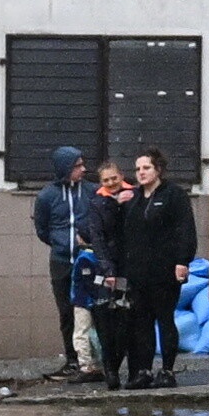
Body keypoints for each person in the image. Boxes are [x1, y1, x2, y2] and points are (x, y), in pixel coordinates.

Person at [112, 151, 197, 389]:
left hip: (164, 270)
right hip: (138, 272)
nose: (141, 172)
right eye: (138, 169)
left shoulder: (174, 195)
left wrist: (183, 261)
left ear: (158, 170)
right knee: (142, 322)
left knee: (165, 319)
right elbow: (121, 232)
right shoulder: (133, 198)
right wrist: (116, 206)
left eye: (146, 168)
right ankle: (144, 370)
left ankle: (167, 370)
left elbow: (185, 229)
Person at [30, 145, 91, 380]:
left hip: (87, 259)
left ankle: (92, 360)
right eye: (78, 166)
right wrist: (61, 245)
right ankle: (72, 359)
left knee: (88, 312)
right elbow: (42, 230)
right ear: (65, 168)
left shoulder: (90, 191)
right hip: (62, 261)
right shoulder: (47, 196)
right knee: (66, 312)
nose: (83, 170)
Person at [80, 154, 136, 383]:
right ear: (101, 182)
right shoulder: (97, 202)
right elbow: (98, 238)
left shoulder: (135, 197)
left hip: (129, 268)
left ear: (121, 177)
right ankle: (110, 369)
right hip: (106, 269)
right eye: (106, 180)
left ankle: (115, 366)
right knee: (104, 319)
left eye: (114, 178)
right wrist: (107, 270)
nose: (111, 183)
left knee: (126, 320)